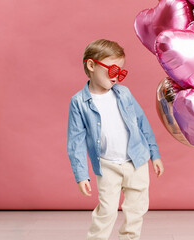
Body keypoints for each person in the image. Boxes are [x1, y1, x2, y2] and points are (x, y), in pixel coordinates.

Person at [67, 39, 164, 240]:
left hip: (136, 161)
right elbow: (75, 141)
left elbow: (141, 123)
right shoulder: (79, 102)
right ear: (91, 65)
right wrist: (81, 174)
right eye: (112, 71)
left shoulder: (124, 93)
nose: (117, 78)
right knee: (107, 211)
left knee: (136, 209)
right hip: (107, 165)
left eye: (121, 72)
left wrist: (154, 154)